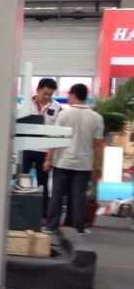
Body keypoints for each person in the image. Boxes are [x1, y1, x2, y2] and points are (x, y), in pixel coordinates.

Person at [45, 83, 105, 234]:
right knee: (79, 197)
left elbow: (55, 139)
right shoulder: (97, 117)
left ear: (73, 95)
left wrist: (48, 159)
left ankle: (51, 226)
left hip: (62, 162)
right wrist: (98, 166)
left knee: (57, 196)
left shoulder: (63, 114)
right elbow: (98, 145)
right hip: (84, 164)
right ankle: (79, 228)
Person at [20, 77, 61, 213]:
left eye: (50, 94)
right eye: (45, 93)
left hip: (44, 150)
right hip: (26, 148)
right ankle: (21, 210)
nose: (47, 97)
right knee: (22, 181)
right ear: (37, 90)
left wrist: (50, 156)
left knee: (43, 183)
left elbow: (56, 133)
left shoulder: (56, 107)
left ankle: (42, 213)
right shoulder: (25, 104)